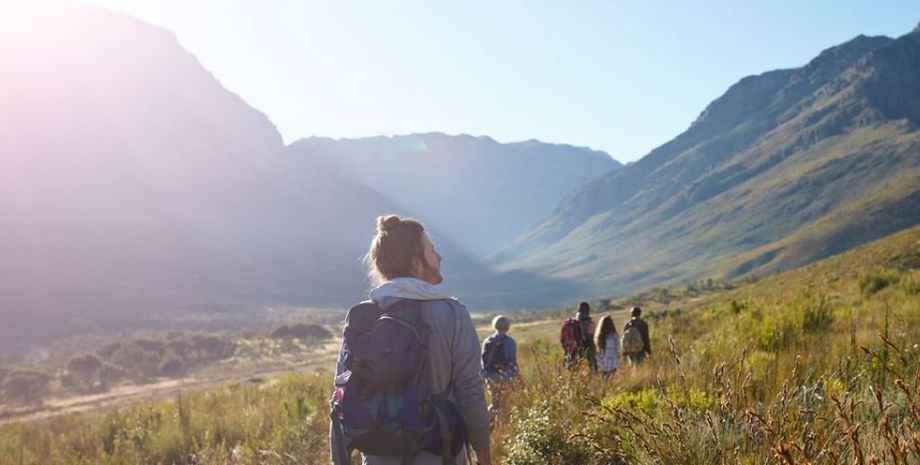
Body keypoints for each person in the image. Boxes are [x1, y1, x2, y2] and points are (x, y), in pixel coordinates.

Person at [330, 215, 491, 465]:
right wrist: (484, 455)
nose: (439, 257)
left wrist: (340, 460)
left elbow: (341, 394)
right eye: (432, 250)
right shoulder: (452, 314)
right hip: (441, 455)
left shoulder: (362, 317)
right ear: (416, 264)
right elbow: (470, 392)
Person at [481, 315, 519, 417]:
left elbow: (483, 361)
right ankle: (501, 425)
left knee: (494, 402)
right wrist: (516, 376)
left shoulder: (487, 341)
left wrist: (485, 376)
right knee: (504, 403)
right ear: (507, 326)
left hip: (490, 376)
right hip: (505, 375)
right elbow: (512, 362)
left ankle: (488, 424)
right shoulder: (510, 342)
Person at [560, 302, 597, 372]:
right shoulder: (589, 324)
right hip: (584, 354)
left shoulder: (571, 323)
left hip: (570, 354)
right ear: (588, 310)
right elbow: (590, 341)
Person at [595, 315, 620, 380]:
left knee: (604, 382)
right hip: (613, 363)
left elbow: (597, 352)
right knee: (612, 381)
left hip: (602, 364)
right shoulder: (614, 336)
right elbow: (618, 349)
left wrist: (598, 363)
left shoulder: (599, 337)